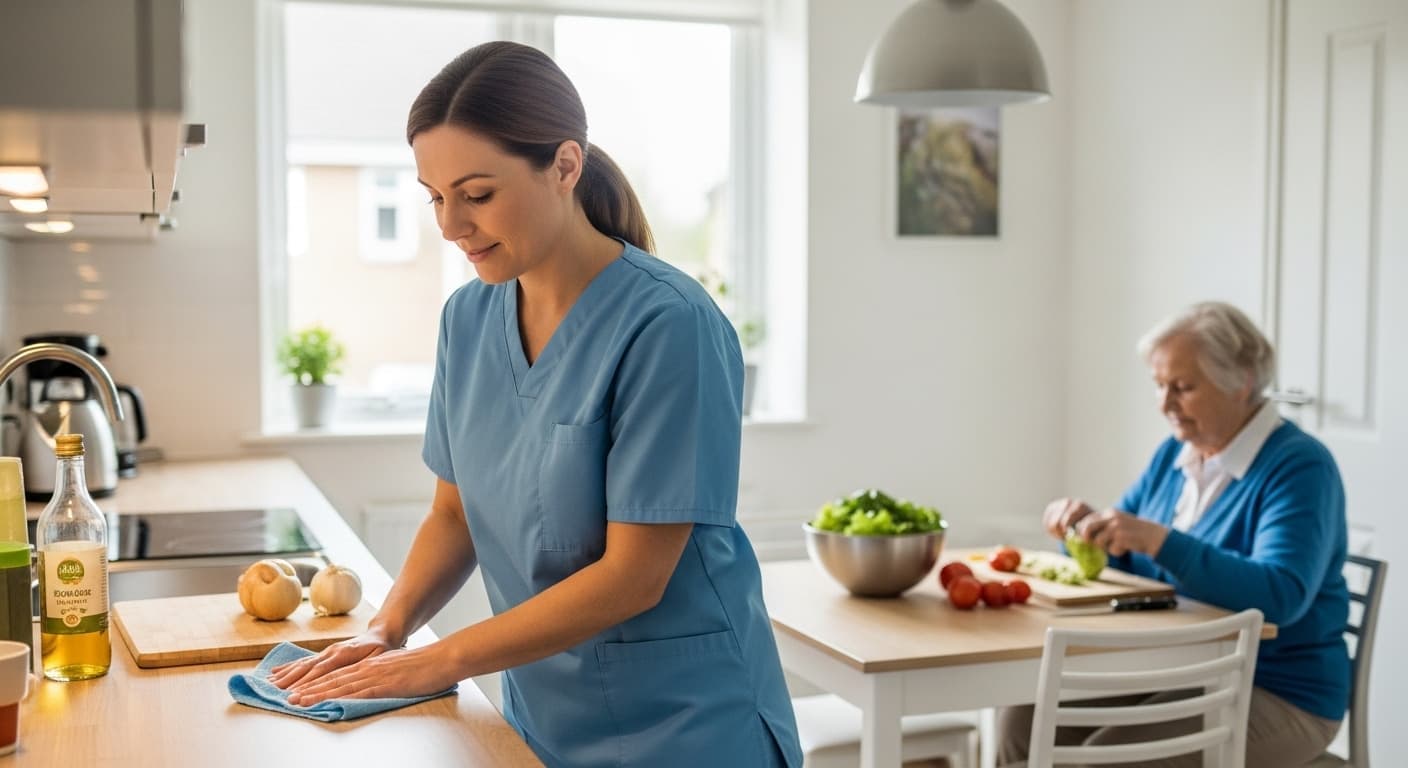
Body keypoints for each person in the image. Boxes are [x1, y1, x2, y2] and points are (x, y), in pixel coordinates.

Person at [268, 41, 802, 768]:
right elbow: (453, 514)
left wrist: (437, 661)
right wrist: (386, 630)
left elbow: (633, 577)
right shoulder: (468, 318)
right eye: (434, 197)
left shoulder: (670, 324)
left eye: (477, 194)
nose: (451, 225)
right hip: (541, 721)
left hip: (689, 728)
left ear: (565, 167)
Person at [1000, 302, 1349, 767]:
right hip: (1174, 668)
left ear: (1242, 381)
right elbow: (1126, 555)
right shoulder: (1176, 453)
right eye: (1160, 386)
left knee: (1110, 756)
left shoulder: (1300, 467)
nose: (1165, 405)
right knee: (1025, 718)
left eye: (1182, 388)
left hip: (1278, 688)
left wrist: (1161, 541)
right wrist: (1086, 531)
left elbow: (1281, 594)